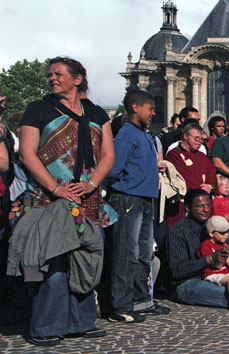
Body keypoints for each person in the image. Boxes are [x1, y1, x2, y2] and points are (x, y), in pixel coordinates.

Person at [19, 57, 115, 346]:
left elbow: (108, 154)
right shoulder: (38, 110)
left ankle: (80, 322)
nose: (52, 78)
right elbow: (27, 153)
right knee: (52, 263)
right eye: (49, 74)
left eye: (58, 74)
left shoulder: (97, 112)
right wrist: (55, 188)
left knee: (84, 261)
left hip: (88, 199)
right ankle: (46, 326)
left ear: (77, 78)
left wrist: (92, 183)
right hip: (47, 199)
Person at [105, 89, 168, 322]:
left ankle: (142, 300)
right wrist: (130, 185)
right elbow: (113, 170)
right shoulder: (127, 135)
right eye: (150, 109)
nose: (153, 113)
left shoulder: (145, 135)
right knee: (126, 252)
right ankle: (121, 306)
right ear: (135, 108)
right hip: (128, 199)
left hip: (145, 198)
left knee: (144, 252)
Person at [163, 123, 217, 229]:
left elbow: (212, 174)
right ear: (185, 136)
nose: (199, 142)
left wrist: (210, 186)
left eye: (201, 139)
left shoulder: (202, 156)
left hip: (204, 204)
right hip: (184, 206)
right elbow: (183, 180)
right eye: (196, 138)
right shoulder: (174, 155)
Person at [212, 175, 229, 243]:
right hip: (221, 228)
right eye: (225, 187)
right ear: (218, 187)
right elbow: (214, 214)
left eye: (228, 187)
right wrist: (222, 218)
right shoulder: (215, 200)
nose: (228, 189)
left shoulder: (227, 198)